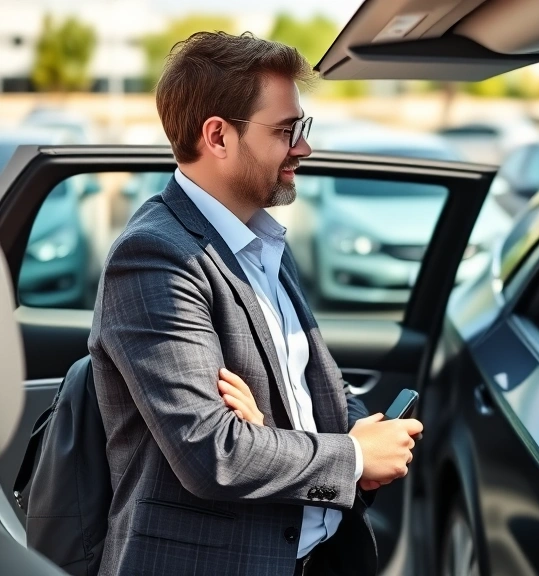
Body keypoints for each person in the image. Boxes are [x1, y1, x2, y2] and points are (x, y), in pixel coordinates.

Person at [88, 31, 420, 576]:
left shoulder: (261, 241)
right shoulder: (155, 256)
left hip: (316, 556)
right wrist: (355, 457)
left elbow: (323, 387)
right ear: (218, 136)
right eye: (287, 130)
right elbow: (212, 453)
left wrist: (276, 437)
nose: (303, 147)